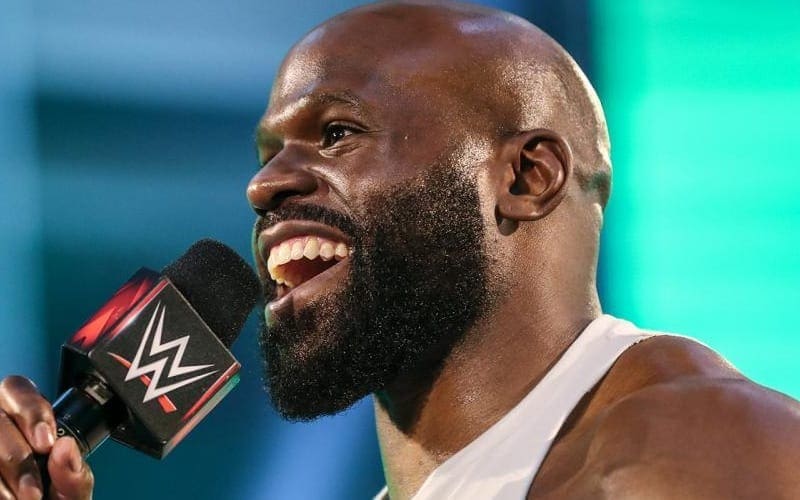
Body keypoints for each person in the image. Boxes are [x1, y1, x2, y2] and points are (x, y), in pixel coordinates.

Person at [2, 1, 799, 498]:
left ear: (527, 178)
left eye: (337, 133)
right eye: (267, 154)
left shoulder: (689, 453)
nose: (263, 186)